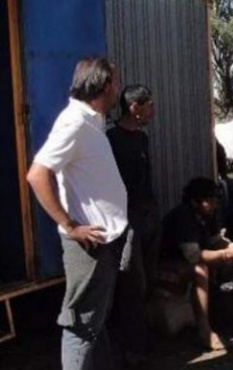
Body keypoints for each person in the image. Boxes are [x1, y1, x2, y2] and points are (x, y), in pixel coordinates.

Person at [26, 57, 129, 370]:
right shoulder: (74, 122)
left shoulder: (92, 119)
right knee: (81, 324)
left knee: (94, 319)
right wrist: (70, 226)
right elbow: (37, 174)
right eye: (116, 81)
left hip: (106, 238)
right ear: (105, 84)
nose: (118, 88)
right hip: (90, 243)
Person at [160, 177, 233, 350]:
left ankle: (229, 316)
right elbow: (194, 256)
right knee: (201, 271)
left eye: (215, 199)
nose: (214, 204)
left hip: (187, 260)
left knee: (228, 262)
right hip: (167, 264)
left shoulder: (208, 214)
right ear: (195, 202)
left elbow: (215, 241)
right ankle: (204, 332)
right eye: (209, 200)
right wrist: (226, 253)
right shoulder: (184, 217)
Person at [106, 84, 158, 364]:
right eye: (148, 104)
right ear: (134, 107)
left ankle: (143, 340)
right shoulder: (110, 138)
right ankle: (130, 348)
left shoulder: (142, 138)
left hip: (147, 217)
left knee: (146, 279)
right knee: (130, 281)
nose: (153, 110)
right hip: (124, 222)